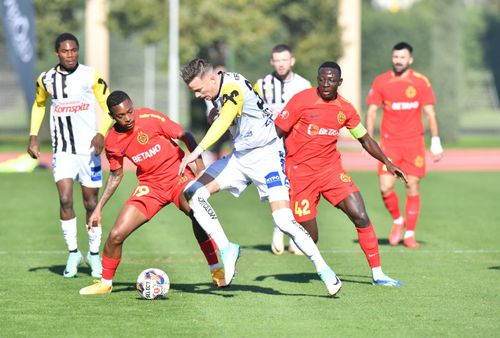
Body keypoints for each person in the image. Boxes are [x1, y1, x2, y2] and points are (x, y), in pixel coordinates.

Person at [179, 58, 342, 296]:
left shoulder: (232, 86)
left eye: (198, 90)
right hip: (240, 157)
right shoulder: (218, 88)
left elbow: (224, 120)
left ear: (212, 78)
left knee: (284, 221)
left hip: (267, 157)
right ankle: (227, 249)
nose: (197, 96)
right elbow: (231, 112)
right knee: (192, 193)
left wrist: (196, 151)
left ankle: (325, 270)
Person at [79, 90, 225, 295]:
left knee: (197, 215)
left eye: (130, 111)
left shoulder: (149, 117)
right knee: (115, 234)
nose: (128, 118)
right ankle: (105, 282)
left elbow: (186, 136)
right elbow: (115, 175)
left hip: (178, 177)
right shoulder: (112, 141)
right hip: (151, 186)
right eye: (121, 115)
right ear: (112, 116)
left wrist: (199, 167)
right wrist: (98, 209)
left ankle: (216, 268)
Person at [274, 61, 406, 286]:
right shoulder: (301, 100)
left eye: (331, 80)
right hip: (300, 175)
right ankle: (283, 222)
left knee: (360, 215)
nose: (326, 84)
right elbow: (275, 133)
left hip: (330, 171)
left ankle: (378, 274)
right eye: (322, 79)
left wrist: (387, 162)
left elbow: (364, 139)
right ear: (318, 79)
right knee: (310, 238)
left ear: (339, 82)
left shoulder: (345, 109)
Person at [27, 33, 113, 278]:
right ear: (57, 53)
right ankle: (73, 252)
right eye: (65, 51)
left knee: (90, 203)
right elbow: (39, 104)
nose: (70, 54)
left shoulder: (90, 74)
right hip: (63, 150)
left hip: (88, 151)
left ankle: (94, 255)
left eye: (74, 50)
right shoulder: (45, 79)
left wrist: (101, 133)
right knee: (65, 199)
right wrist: (33, 135)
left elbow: (107, 106)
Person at [365, 42, 444, 249]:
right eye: (395, 57)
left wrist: (435, 142)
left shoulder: (420, 82)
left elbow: (430, 113)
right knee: (385, 187)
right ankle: (398, 220)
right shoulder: (381, 81)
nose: (398, 60)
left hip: (413, 144)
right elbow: (372, 111)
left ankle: (410, 233)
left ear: (410, 60)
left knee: (412, 186)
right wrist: (369, 139)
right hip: (389, 145)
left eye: (402, 57)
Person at [253, 44, 312, 256]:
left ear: (292, 61)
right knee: (279, 187)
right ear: (271, 62)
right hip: (271, 146)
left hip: (297, 145)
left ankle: (294, 235)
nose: (280, 64)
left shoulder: (304, 85)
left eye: (284, 60)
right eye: (277, 60)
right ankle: (279, 228)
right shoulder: (261, 84)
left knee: (296, 188)